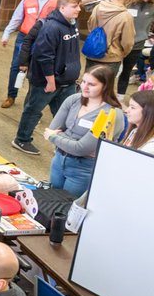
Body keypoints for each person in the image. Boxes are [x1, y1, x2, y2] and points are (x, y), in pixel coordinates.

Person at [12, 0, 82, 156]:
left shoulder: (72, 24)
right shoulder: (51, 27)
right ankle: (22, 139)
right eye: (74, 6)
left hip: (66, 81)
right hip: (47, 81)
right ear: (62, 8)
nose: (79, 9)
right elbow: (44, 56)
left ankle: (64, 143)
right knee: (34, 110)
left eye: (79, 6)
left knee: (65, 114)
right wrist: (50, 81)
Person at [43, 64, 121, 197]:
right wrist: (72, 142)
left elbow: (81, 148)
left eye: (91, 84)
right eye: (83, 81)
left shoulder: (109, 114)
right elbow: (51, 130)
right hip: (58, 159)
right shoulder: (74, 99)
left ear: (105, 86)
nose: (85, 87)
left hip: (82, 169)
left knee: (67, 204)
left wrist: (56, 137)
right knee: (51, 200)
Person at [0, 0, 58, 108]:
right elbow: (17, 17)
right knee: (16, 66)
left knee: (37, 70)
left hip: (44, 38)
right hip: (25, 37)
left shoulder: (57, 0)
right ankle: (11, 95)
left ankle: (31, 101)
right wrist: (7, 33)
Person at [86, 0, 135, 75]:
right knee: (106, 84)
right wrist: (121, 54)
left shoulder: (97, 8)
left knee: (89, 81)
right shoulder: (126, 16)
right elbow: (128, 42)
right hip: (111, 58)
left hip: (92, 52)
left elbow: (90, 26)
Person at [121, 0, 154, 95]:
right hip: (120, 43)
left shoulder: (152, 7)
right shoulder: (128, 3)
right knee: (111, 71)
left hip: (137, 45)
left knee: (126, 72)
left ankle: (120, 97)